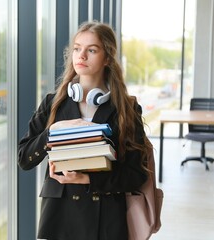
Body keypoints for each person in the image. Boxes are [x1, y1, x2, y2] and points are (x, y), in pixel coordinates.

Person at [18, 20, 152, 240]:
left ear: (107, 58)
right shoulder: (53, 103)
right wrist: (51, 132)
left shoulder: (125, 108)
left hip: (106, 221)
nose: (81, 56)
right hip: (59, 219)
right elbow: (24, 158)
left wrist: (88, 179)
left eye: (91, 50)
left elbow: (137, 175)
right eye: (77, 48)